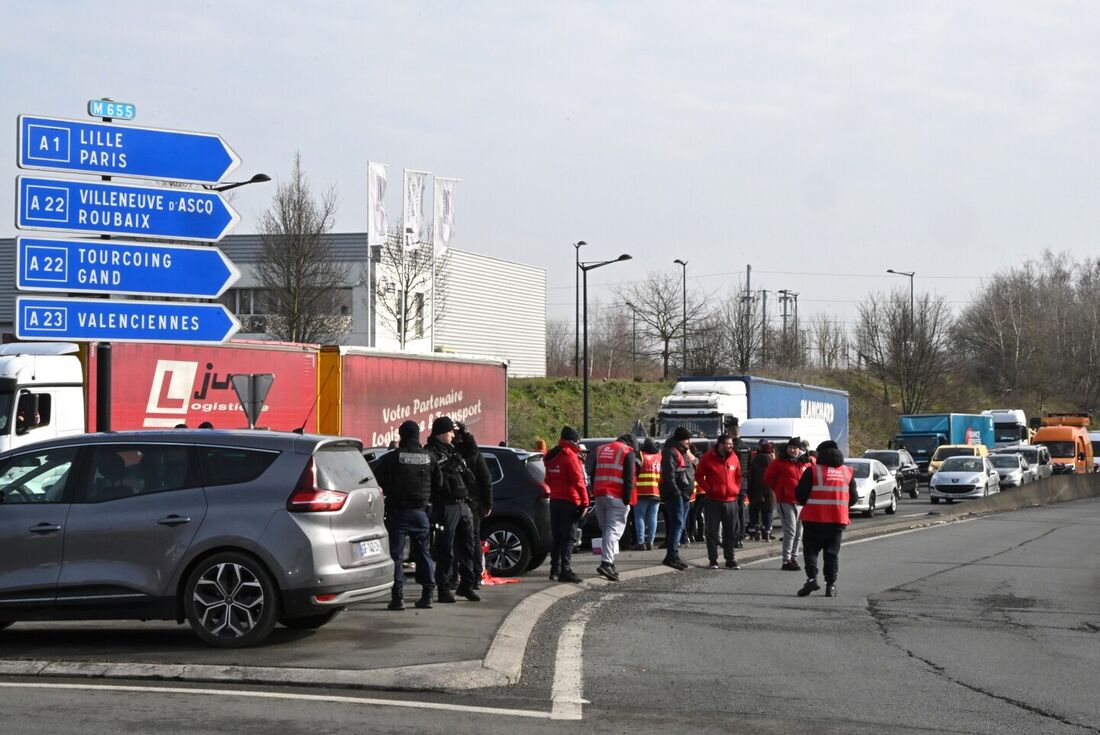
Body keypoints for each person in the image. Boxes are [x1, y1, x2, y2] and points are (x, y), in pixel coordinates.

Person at [371, 420, 439, 611]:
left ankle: (397, 598)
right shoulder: (429, 457)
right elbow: (439, 483)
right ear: (417, 436)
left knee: (396, 556)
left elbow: (375, 477)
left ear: (401, 436)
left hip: (398, 513)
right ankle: (427, 596)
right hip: (421, 513)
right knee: (424, 554)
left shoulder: (393, 457)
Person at [426, 416, 480, 603]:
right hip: (445, 504)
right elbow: (434, 477)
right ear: (441, 433)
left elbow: (472, 451)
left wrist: (464, 432)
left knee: (468, 546)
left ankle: (466, 584)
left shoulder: (452, 449)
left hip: (462, 503)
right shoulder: (431, 451)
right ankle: (444, 586)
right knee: (446, 548)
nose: (452, 435)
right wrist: (449, 466)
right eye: (450, 431)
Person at [795, 440, 857, 597]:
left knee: (811, 551)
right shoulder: (847, 472)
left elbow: (800, 496)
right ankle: (831, 585)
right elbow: (854, 498)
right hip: (837, 520)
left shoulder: (813, 471)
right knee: (831, 554)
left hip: (814, 519)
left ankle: (811, 579)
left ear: (821, 454)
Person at [591, 433, 639, 581]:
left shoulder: (601, 449)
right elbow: (629, 477)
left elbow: (593, 472)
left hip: (600, 494)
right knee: (613, 531)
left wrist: (594, 491)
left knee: (606, 530)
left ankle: (609, 562)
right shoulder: (627, 452)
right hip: (617, 496)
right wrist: (627, 498)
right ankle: (606, 563)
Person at [544, 426, 588, 583]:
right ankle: (566, 570)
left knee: (557, 537)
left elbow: (547, 480)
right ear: (573, 440)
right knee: (569, 538)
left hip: (554, 500)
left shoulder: (551, 455)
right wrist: (585, 502)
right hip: (570, 501)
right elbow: (578, 481)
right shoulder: (570, 456)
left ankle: (554, 570)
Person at [454, 422, 493, 589]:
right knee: (474, 540)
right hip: (474, 504)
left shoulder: (452, 454)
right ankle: (476, 576)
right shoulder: (476, 455)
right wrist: (487, 504)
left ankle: (454, 577)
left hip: (456, 502)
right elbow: (486, 480)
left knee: (455, 540)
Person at [695, 434, 742, 569]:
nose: (731, 446)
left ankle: (730, 559)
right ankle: (713, 560)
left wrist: (736, 489)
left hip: (731, 500)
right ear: (720, 444)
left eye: (731, 444)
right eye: (728, 444)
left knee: (730, 532)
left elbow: (739, 475)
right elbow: (699, 475)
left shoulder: (734, 457)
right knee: (712, 532)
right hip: (713, 500)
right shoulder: (707, 458)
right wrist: (709, 489)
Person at [764, 436, 811, 571]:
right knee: (790, 531)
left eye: (795, 448)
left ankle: (794, 558)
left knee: (799, 532)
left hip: (801, 502)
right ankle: (786, 560)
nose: (792, 450)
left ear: (799, 449)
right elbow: (768, 478)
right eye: (790, 447)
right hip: (786, 501)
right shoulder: (779, 462)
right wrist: (780, 490)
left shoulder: (804, 463)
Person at [660, 427, 695, 571]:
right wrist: (676, 492)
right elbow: (669, 474)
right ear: (681, 439)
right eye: (687, 439)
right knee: (677, 523)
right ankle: (672, 555)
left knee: (679, 524)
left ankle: (674, 554)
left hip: (683, 494)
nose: (689, 442)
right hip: (676, 495)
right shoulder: (671, 451)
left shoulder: (683, 451)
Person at [631, 438, 662, 551]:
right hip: (656, 491)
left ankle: (640, 542)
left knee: (639, 517)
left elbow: (634, 471)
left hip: (641, 491)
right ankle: (650, 541)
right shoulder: (659, 456)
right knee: (652, 517)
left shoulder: (640, 455)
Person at [726, 418, 752, 547]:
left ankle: (734, 536)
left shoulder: (731, 449)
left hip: (733, 481)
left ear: (730, 433)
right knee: (741, 510)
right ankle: (741, 535)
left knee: (733, 510)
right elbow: (749, 466)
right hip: (744, 482)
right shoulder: (746, 447)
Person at [747, 440, 776, 541]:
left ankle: (754, 531)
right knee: (767, 512)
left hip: (755, 489)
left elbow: (750, 476)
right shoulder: (772, 460)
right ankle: (767, 532)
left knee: (755, 511)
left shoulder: (755, 460)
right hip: (769, 490)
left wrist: (749, 490)